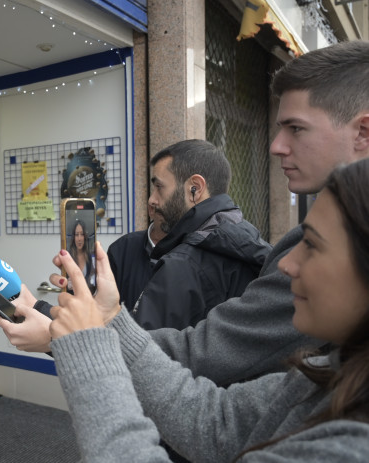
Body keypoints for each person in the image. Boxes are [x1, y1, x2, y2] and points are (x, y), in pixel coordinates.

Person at [1, 40, 369, 386]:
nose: (276, 146)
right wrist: (94, 317)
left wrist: (60, 337)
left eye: (296, 128)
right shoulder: (171, 247)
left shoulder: (191, 262)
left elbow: (196, 364)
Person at [48, 159, 369, 462]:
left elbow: (198, 352)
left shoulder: (350, 446)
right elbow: (214, 420)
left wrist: (92, 354)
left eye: (311, 244)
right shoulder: (325, 374)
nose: (286, 263)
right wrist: (111, 318)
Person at [132, 139, 271, 329]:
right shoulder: (247, 240)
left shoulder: (182, 265)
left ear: (195, 189)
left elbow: (139, 350)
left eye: (159, 187)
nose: (152, 200)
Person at [106, 204, 167, 310]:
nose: (152, 200)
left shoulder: (196, 254)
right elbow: (106, 309)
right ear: (151, 210)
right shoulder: (121, 249)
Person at [68, 219, 96, 293]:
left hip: (87, 298)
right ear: (73, 237)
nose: (79, 238)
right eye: (77, 235)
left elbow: (92, 283)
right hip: (71, 299)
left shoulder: (90, 257)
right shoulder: (68, 257)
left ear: (85, 237)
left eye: (82, 234)